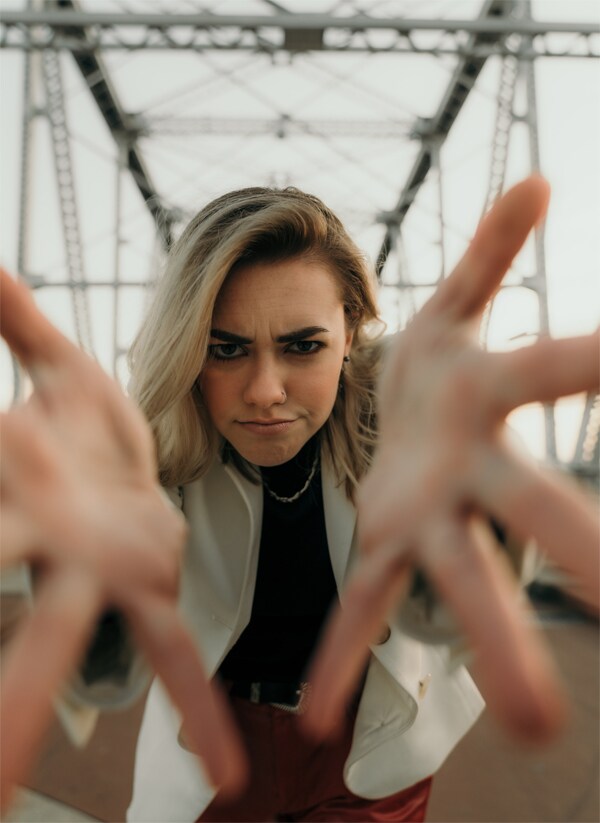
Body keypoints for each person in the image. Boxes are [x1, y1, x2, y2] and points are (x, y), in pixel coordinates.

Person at [0, 176, 598, 821]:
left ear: (351, 333)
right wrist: (94, 593)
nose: (265, 391)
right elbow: (112, 640)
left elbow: (451, 601)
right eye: (224, 349)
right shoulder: (148, 449)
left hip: (372, 742)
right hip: (209, 748)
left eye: (303, 346)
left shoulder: (407, 427)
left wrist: (483, 524)